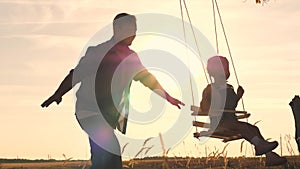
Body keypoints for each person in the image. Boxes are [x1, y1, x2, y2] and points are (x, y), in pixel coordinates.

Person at [41, 13, 184, 169]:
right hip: (89, 111)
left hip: (107, 116)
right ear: (117, 28)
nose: (134, 34)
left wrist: (168, 97)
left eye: (135, 30)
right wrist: (58, 93)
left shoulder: (131, 57)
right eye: (131, 29)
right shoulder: (98, 52)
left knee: (102, 159)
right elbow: (77, 74)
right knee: (111, 154)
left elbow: (147, 79)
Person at [199, 55, 287, 166]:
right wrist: (213, 108)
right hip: (220, 123)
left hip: (231, 122)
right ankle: (263, 149)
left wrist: (238, 96)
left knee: (254, 128)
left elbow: (231, 106)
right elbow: (204, 107)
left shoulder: (229, 88)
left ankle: (269, 155)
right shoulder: (210, 89)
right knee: (243, 128)